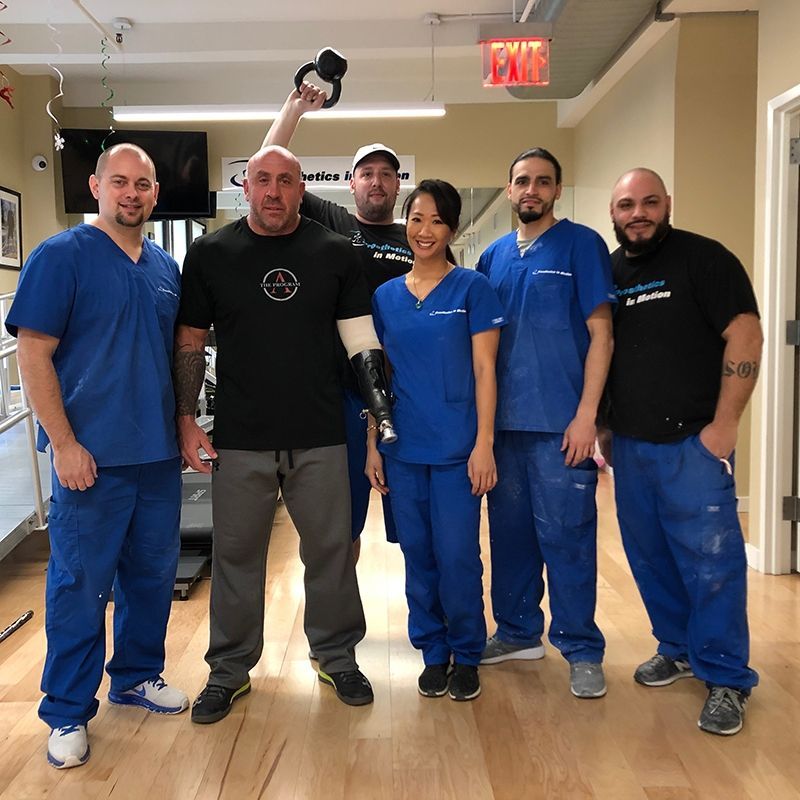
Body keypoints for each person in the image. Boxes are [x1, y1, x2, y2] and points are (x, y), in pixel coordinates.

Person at [176, 145, 385, 722]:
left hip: (320, 433)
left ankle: (337, 656)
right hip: (240, 437)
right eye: (263, 179)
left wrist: (378, 415)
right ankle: (228, 670)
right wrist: (186, 416)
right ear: (247, 187)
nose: (273, 191)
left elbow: (361, 341)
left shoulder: (336, 253)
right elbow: (191, 340)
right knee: (237, 557)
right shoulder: (212, 254)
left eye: (286, 181)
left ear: (303, 189)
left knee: (331, 554)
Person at [6, 143, 188, 770]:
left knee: (151, 576)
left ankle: (137, 675)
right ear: (95, 186)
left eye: (143, 184)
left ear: (156, 194)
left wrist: (185, 428)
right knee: (80, 585)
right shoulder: (61, 257)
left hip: (155, 455)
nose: (131, 193)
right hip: (89, 457)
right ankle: (66, 710)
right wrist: (63, 443)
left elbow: (174, 356)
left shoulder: (165, 267)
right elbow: (33, 353)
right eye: (119, 182)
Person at [605, 167, 761, 735]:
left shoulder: (706, 260)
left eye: (648, 202)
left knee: (712, 564)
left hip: (694, 444)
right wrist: (605, 426)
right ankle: (676, 647)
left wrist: (726, 424)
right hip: (631, 445)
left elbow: (746, 334)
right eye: (626, 205)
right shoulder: (614, 271)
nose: (637, 213)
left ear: (666, 203)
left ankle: (726, 677)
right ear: (613, 212)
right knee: (649, 557)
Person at [476, 148, 616, 698]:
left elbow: (601, 335)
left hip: (562, 426)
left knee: (569, 539)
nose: (530, 190)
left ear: (557, 190)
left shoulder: (582, 246)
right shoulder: (491, 257)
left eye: (542, 181)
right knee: (509, 538)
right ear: (508, 191)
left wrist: (587, 418)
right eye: (521, 181)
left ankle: (581, 647)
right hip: (504, 428)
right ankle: (516, 632)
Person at [366, 179, 505, 701]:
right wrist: (373, 444)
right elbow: (378, 378)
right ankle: (432, 650)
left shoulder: (472, 288)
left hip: (457, 451)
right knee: (418, 556)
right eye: (416, 218)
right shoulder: (385, 297)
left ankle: (467, 651)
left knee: (458, 556)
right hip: (402, 449)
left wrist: (484, 443)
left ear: (452, 228)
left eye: (437, 221)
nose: (425, 231)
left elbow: (486, 370)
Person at [263, 82, 414, 559]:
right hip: (343, 400)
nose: (376, 181)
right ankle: (341, 628)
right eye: (366, 173)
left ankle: (431, 628)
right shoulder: (334, 225)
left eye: (386, 174)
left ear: (398, 183)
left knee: (415, 527)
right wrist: (295, 110)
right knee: (339, 530)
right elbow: (270, 159)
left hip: (408, 395)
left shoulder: (420, 240)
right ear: (351, 184)